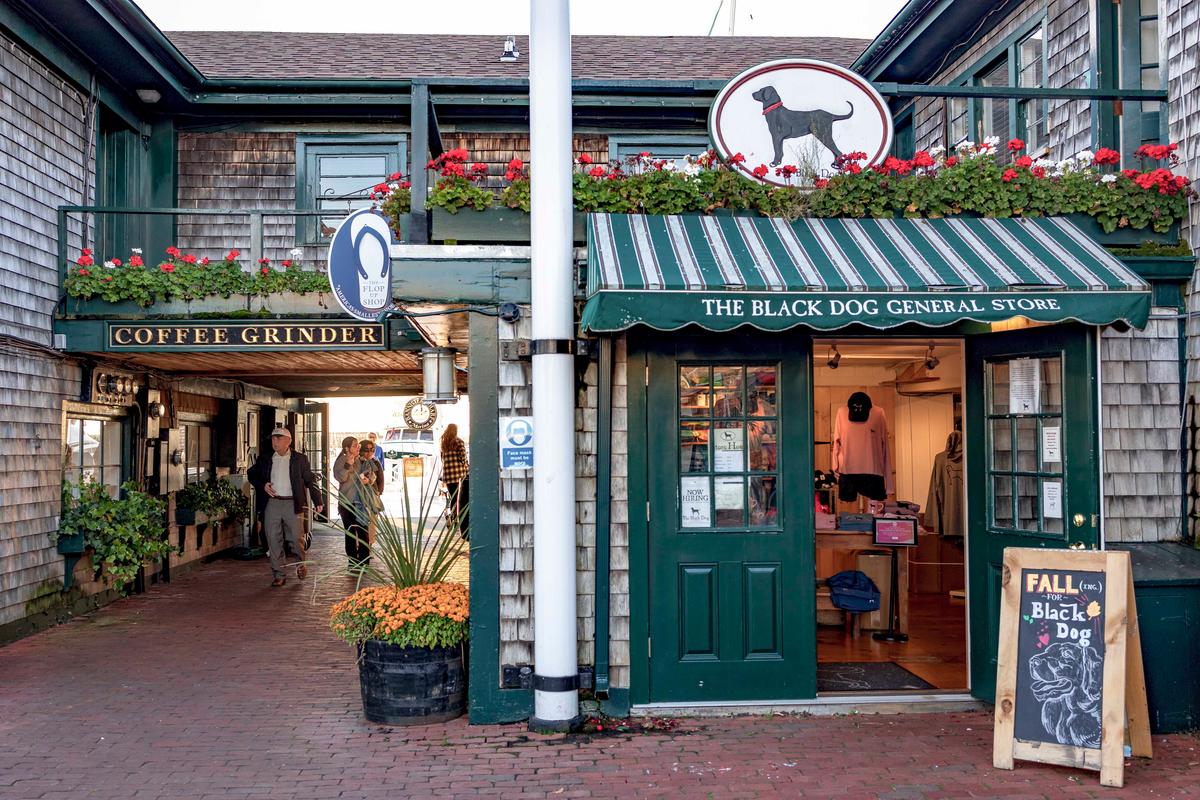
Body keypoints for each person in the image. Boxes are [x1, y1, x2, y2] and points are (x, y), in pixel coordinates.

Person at [247, 426, 322, 587]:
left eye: (279, 438)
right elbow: (251, 474)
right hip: (272, 503)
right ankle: (279, 574)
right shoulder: (266, 458)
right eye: (273, 439)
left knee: (296, 538)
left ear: (288, 441)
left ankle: (301, 563)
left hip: (293, 503)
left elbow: (310, 480)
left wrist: (319, 501)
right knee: (273, 539)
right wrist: (263, 485)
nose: (275, 442)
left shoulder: (299, 459)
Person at [333, 436, 382, 570]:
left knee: (363, 531)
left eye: (357, 445)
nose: (358, 447)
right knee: (350, 533)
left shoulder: (362, 460)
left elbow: (373, 474)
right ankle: (353, 562)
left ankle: (364, 562)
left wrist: (369, 479)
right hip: (346, 502)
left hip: (361, 502)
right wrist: (348, 463)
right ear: (347, 448)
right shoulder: (341, 460)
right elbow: (341, 477)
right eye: (355, 445)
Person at [440, 424, 469, 540]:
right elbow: (463, 459)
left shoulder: (444, 443)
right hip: (458, 475)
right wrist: (467, 468)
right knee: (460, 499)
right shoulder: (459, 442)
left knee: (453, 497)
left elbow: (442, 458)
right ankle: (459, 520)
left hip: (448, 475)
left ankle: (453, 518)